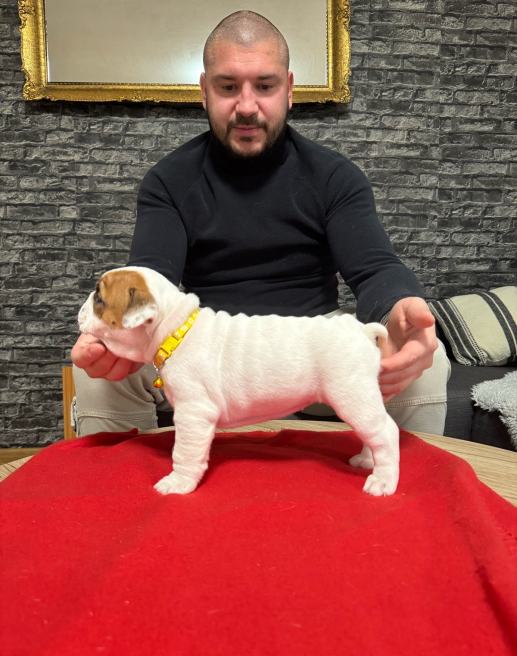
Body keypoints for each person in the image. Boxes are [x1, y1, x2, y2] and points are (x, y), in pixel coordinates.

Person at [71, 10, 450, 436]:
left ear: (289, 90)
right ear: (204, 91)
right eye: (228, 87)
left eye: (265, 86)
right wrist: (111, 332)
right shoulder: (168, 181)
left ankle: (405, 477)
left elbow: (375, 268)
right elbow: (150, 276)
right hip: (207, 347)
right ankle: (125, 480)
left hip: (308, 346)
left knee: (428, 363)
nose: (247, 106)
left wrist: (400, 305)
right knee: (98, 375)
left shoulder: (334, 176)